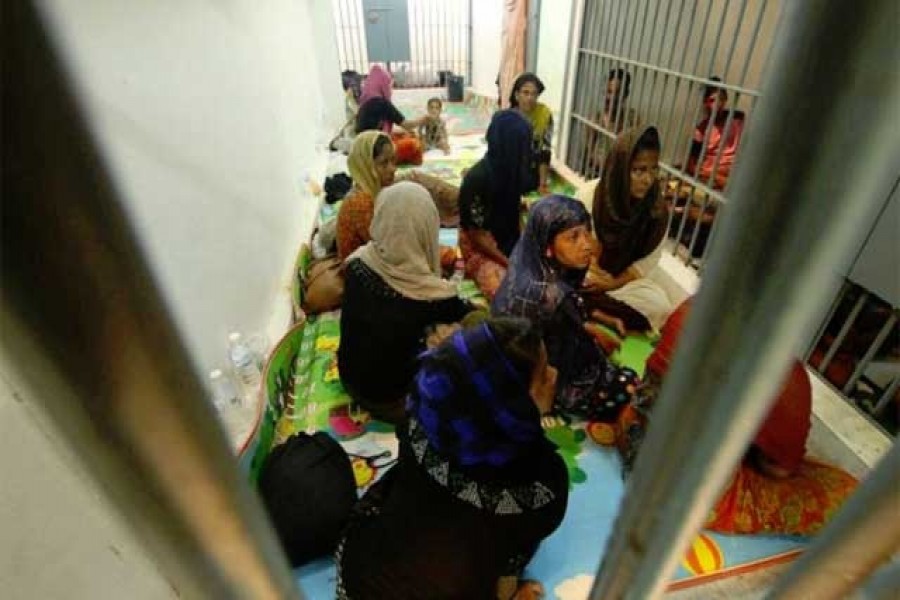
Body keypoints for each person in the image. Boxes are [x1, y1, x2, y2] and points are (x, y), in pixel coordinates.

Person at [336, 318, 568, 599]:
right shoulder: (541, 486)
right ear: (511, 404)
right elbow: (515, 552)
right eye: (542, 376)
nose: (554, 376)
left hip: (357, 573)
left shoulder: (421, 416)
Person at [616, 300, 859, 535]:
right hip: (676, 490)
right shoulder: (785, 374)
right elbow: (779, 470)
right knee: (840, 493)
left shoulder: (695, 308)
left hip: (631, 433)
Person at [493, 195, 640, 422]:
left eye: (586, 232)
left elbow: (568, 317)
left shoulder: (528, 259)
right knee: (630, 386)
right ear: (548, 247)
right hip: (545, 378)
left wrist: (594, 325)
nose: (587, 244)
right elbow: (541, 351)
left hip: (536, 359)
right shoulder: (549, 294)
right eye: (573, 237)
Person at [338, 181, 473, 423]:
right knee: (468, 338)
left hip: (350, 379)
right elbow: (466, 313)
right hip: (393, 402)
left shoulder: (357, 263)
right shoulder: (432, 298)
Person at [578, 125, 674, 334]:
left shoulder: (657, 211)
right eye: (639, 170)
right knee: (566, 283)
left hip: (621, 283)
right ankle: (595, 308)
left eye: (653, 169)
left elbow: (645, 264)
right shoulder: (590, 196)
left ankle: (590, 308)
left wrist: (611, 284)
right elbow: (574, 244)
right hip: (586, 274)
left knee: (660, 307)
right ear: (620, 168)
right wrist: (591, 272)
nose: (648, 180)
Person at [458, 109, 533, 300]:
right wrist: (509, 263)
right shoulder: (477, 179)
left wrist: (526, 246)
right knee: (505, 292)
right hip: (481, 247)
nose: (525, 152)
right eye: (520, 145)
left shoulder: (514, 171)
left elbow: (515, 214)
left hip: (507, 239)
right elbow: (477, 235)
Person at [670, 76, 748, 257]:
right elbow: (692, 163)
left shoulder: (737, 119)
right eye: (712, 100)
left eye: (721, 98)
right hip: (709, 176)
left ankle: (685, 213)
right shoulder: (702, 129)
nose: (717, 104)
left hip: (727, 174)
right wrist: (705, 171)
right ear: (706, 103)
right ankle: (685, 214)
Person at [336, 131, 396, 261]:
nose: (392, 169)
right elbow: (388, 249)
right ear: (366, 165)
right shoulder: (361, 202)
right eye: (384, 163)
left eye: (393, 160)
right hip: (362, 275)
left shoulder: (373, 190)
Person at [584, 68, 637, 177]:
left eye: (616, 93)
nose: (610, 98)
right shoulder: (596, 120)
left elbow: (637, 153)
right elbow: (588, 156)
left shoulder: (633, 120)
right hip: (599, 175)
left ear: (625, 95)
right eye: (608, 91)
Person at [509, 72, 553, 194]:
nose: (530, 98)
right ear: (517, 95)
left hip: (532, 166)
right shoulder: (508, 117)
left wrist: (543, 184)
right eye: (526, 93)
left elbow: (545, 149)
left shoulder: (544, 114)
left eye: (534, 94)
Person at [355, 64, 421, 134]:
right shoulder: (381, 103)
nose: (390, 89)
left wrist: (403, 132)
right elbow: (407, 125)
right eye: (388, 85)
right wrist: (425, 118)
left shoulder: (364, 103)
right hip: (374, 142)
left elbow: (373, 130)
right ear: (383, 84)